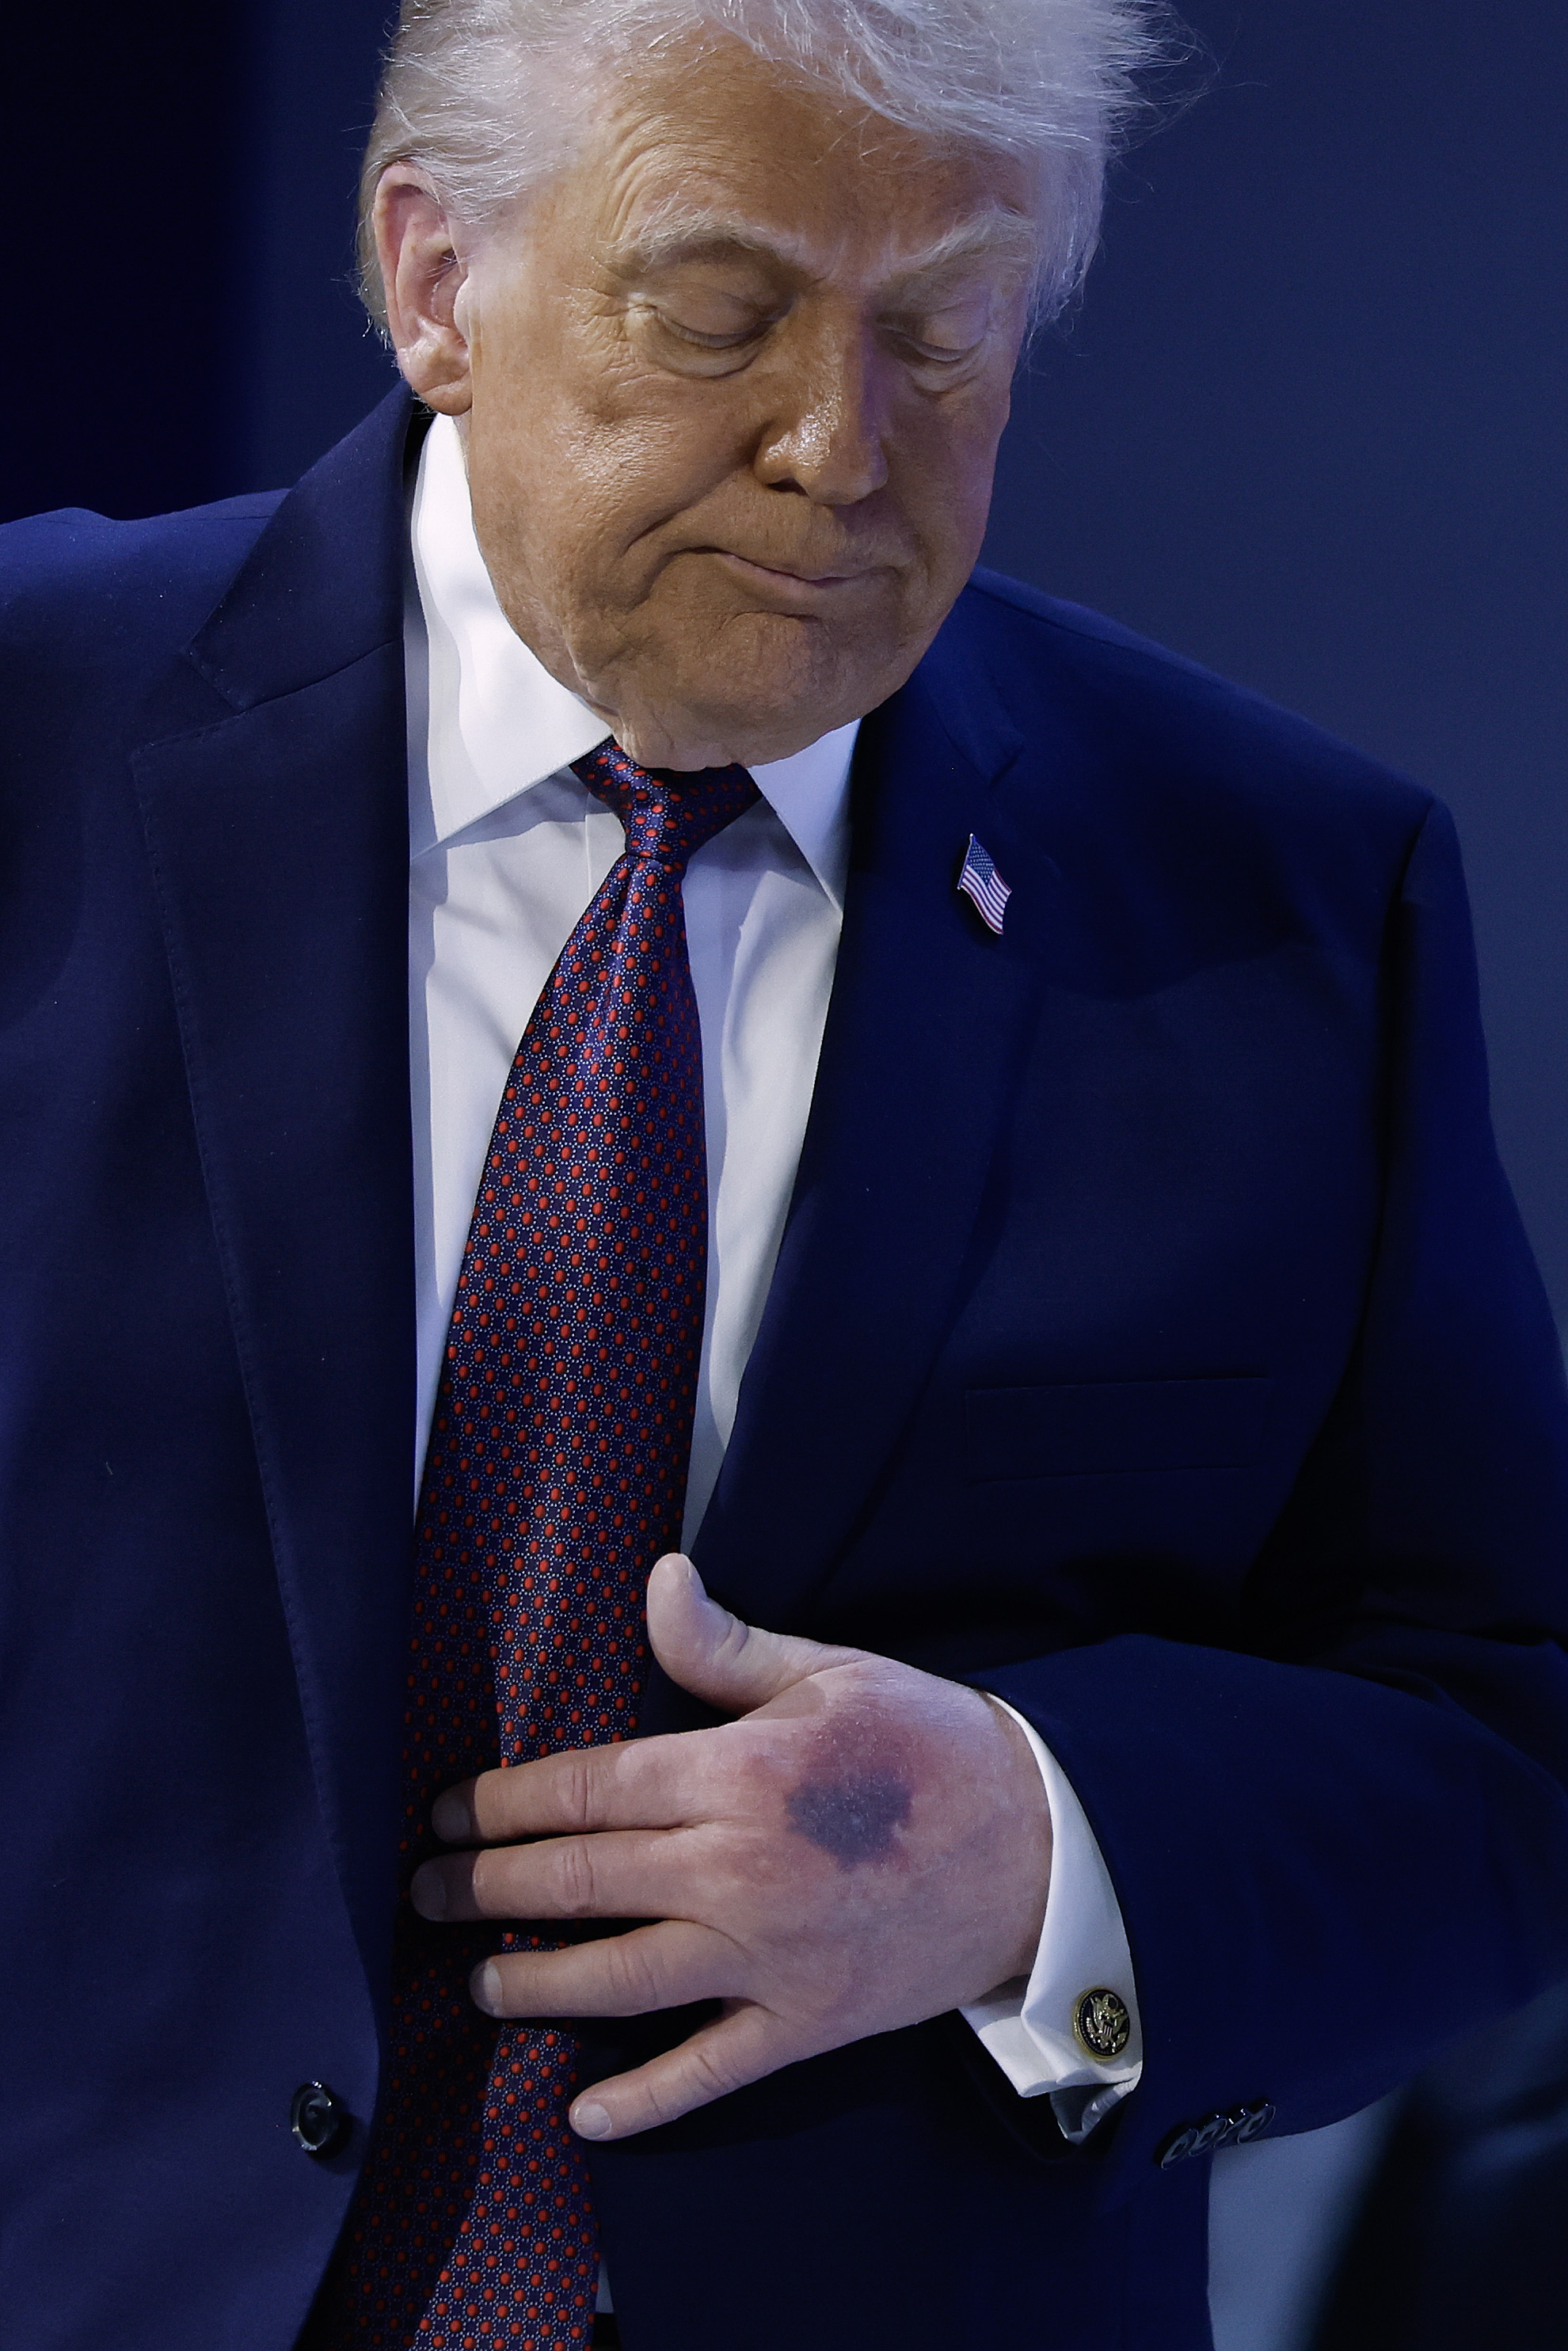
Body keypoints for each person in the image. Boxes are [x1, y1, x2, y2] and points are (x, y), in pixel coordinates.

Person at [2, 2, 1566, 2345]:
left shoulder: (1280, 901)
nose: (843, 448)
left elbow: (1495, 1750)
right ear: (436, 280)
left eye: (941, 330)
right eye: (715, 313)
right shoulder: (34, 732)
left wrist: (1045, 1851)